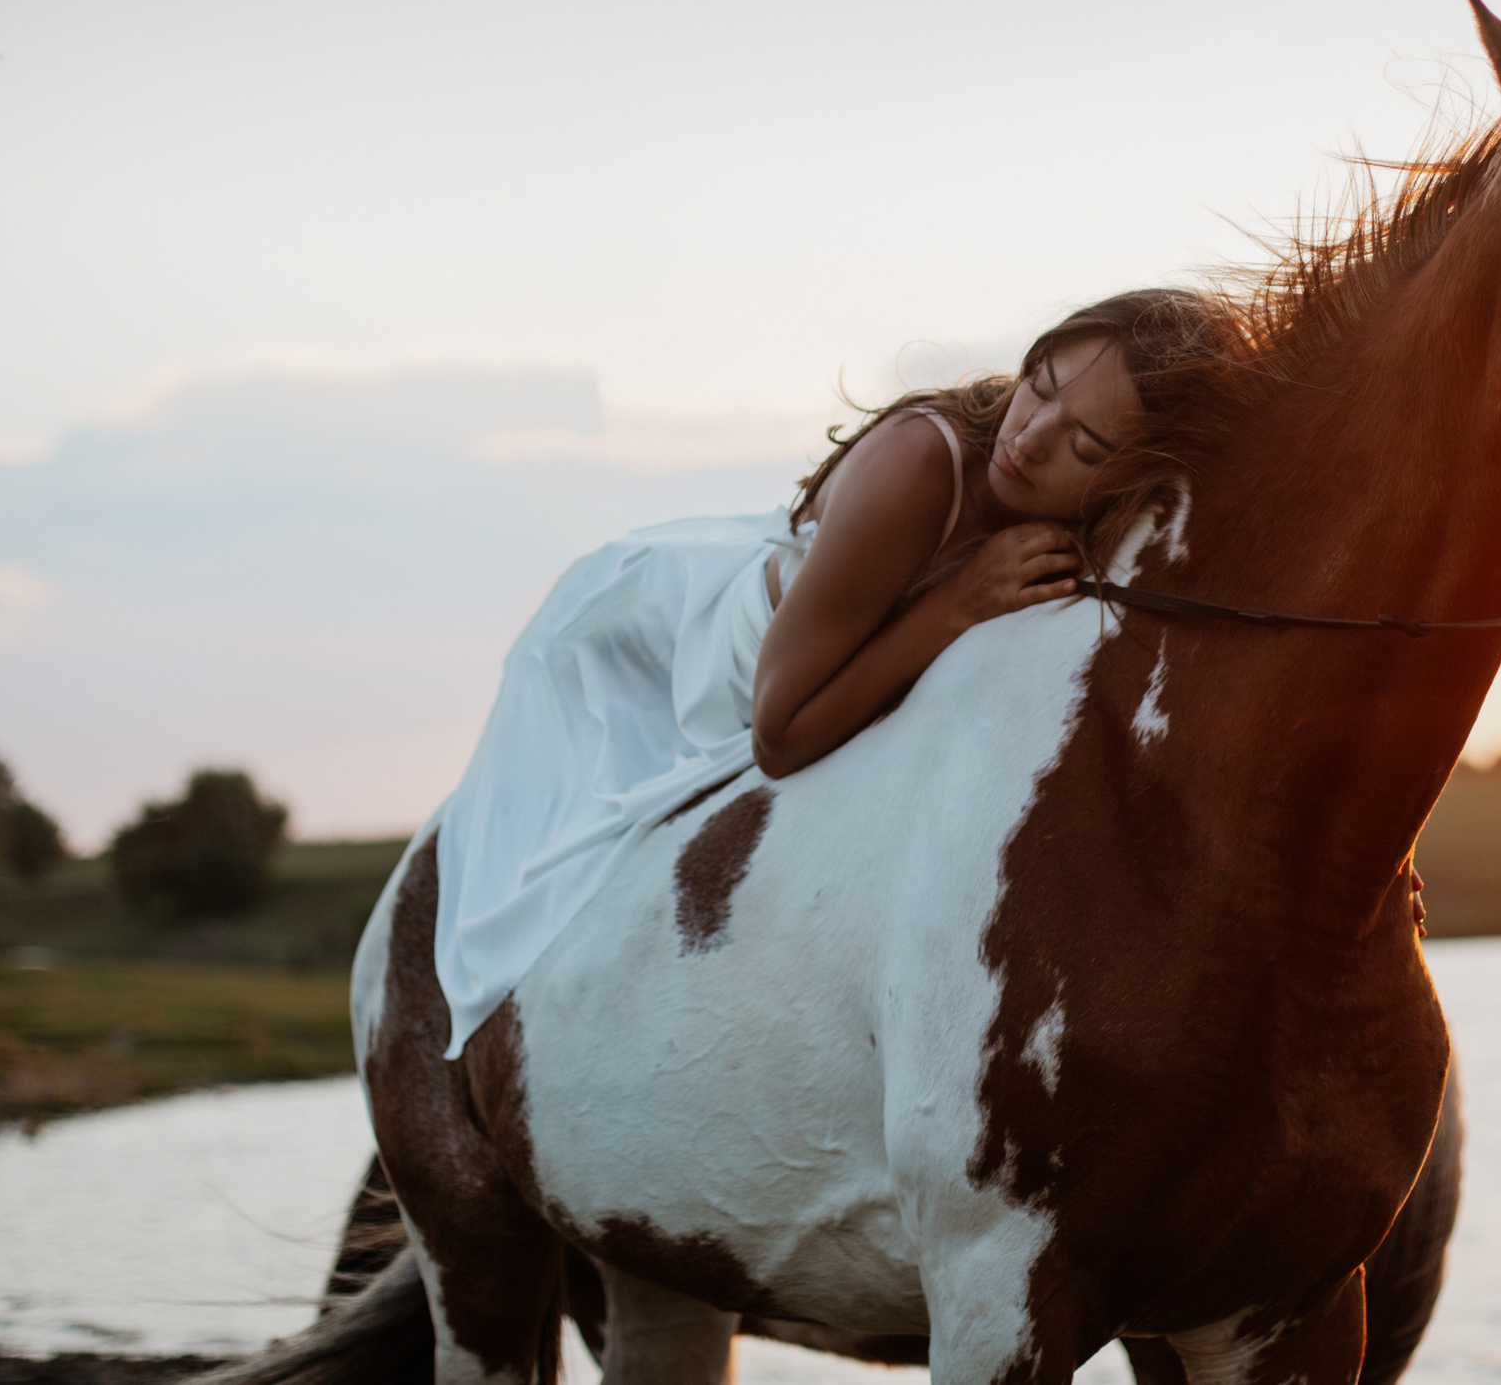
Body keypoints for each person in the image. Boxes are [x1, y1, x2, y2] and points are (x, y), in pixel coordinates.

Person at [428, 288, 1238, 1055]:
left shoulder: (1128, 525)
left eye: (1084, 445)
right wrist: (959, 602)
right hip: (651, 645)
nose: (1028, 437)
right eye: (1039, 385)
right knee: (530, 887)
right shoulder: (921, 466)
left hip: (788, 637)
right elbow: (779, 732)